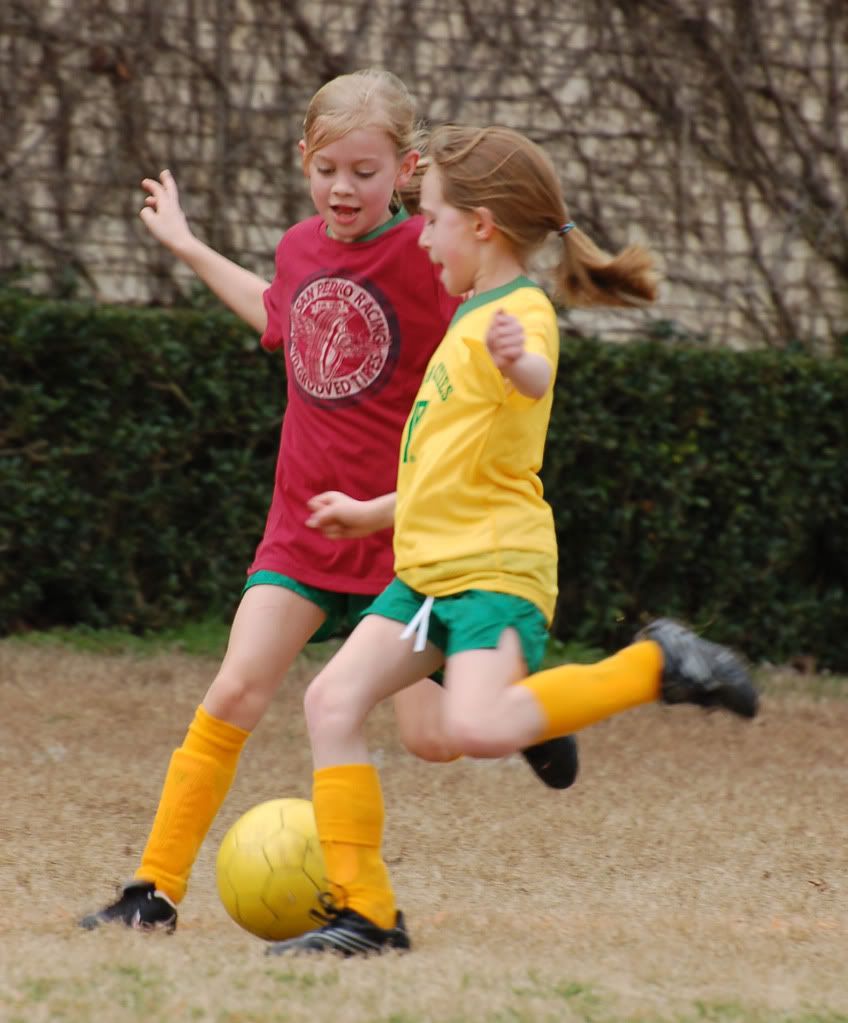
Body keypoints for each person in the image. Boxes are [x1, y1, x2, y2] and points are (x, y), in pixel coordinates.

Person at [80, 74, 579, 934]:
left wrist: (519, 357)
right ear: (302, 161)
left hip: (403, 532)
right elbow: (277, 317)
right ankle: (153, 890)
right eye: (327, 169)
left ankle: (517, 690)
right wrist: (189, 247)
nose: (343, 188)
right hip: (304, 522)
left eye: (365, 170)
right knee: (235, 687)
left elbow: (505, 324)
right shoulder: (299, 247)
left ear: (407, 171)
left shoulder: (432, 258)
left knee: (433, 737)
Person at [264, 123, 760, 958]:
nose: (421, 236)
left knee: (484, 726)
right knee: (331, 702)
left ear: (482, 225)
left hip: (493, 569)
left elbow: (533, 372)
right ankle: (367, 916)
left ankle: (658, 664)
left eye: (431, 219)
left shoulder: (518, 312)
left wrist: (517, 361)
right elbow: (447, 459)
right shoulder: (467, 315)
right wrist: (374, 510)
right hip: (427, 573)